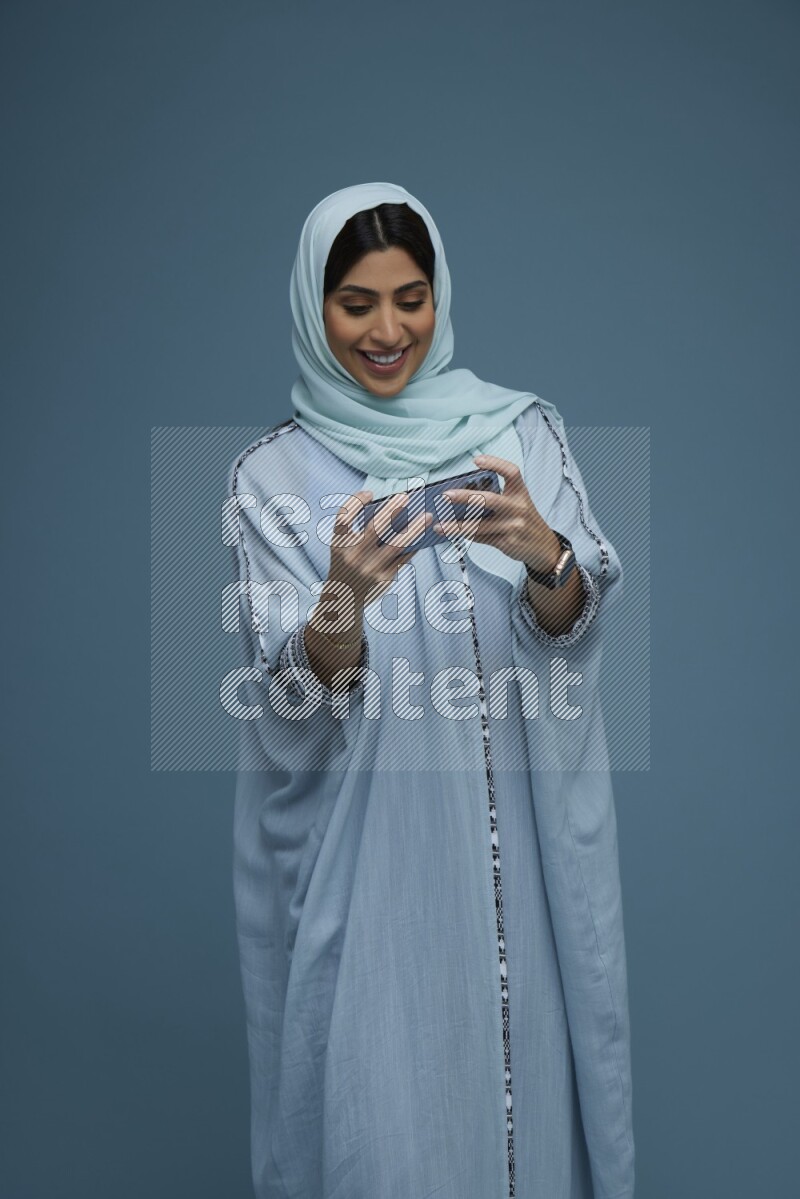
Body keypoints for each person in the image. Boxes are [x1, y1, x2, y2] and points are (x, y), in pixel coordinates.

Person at [227, 182, 635, 1199]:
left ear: (439, 294)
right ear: (312, 310)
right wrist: (339, 601)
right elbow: (291, 694)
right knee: (388, 1132)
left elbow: (572, 619)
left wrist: (544, 555)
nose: (386, 329)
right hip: (375, 887)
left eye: (410, 297)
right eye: (354, 302)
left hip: (525, 885)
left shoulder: (517, 433)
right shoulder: (270, 477)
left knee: (526, 1126)